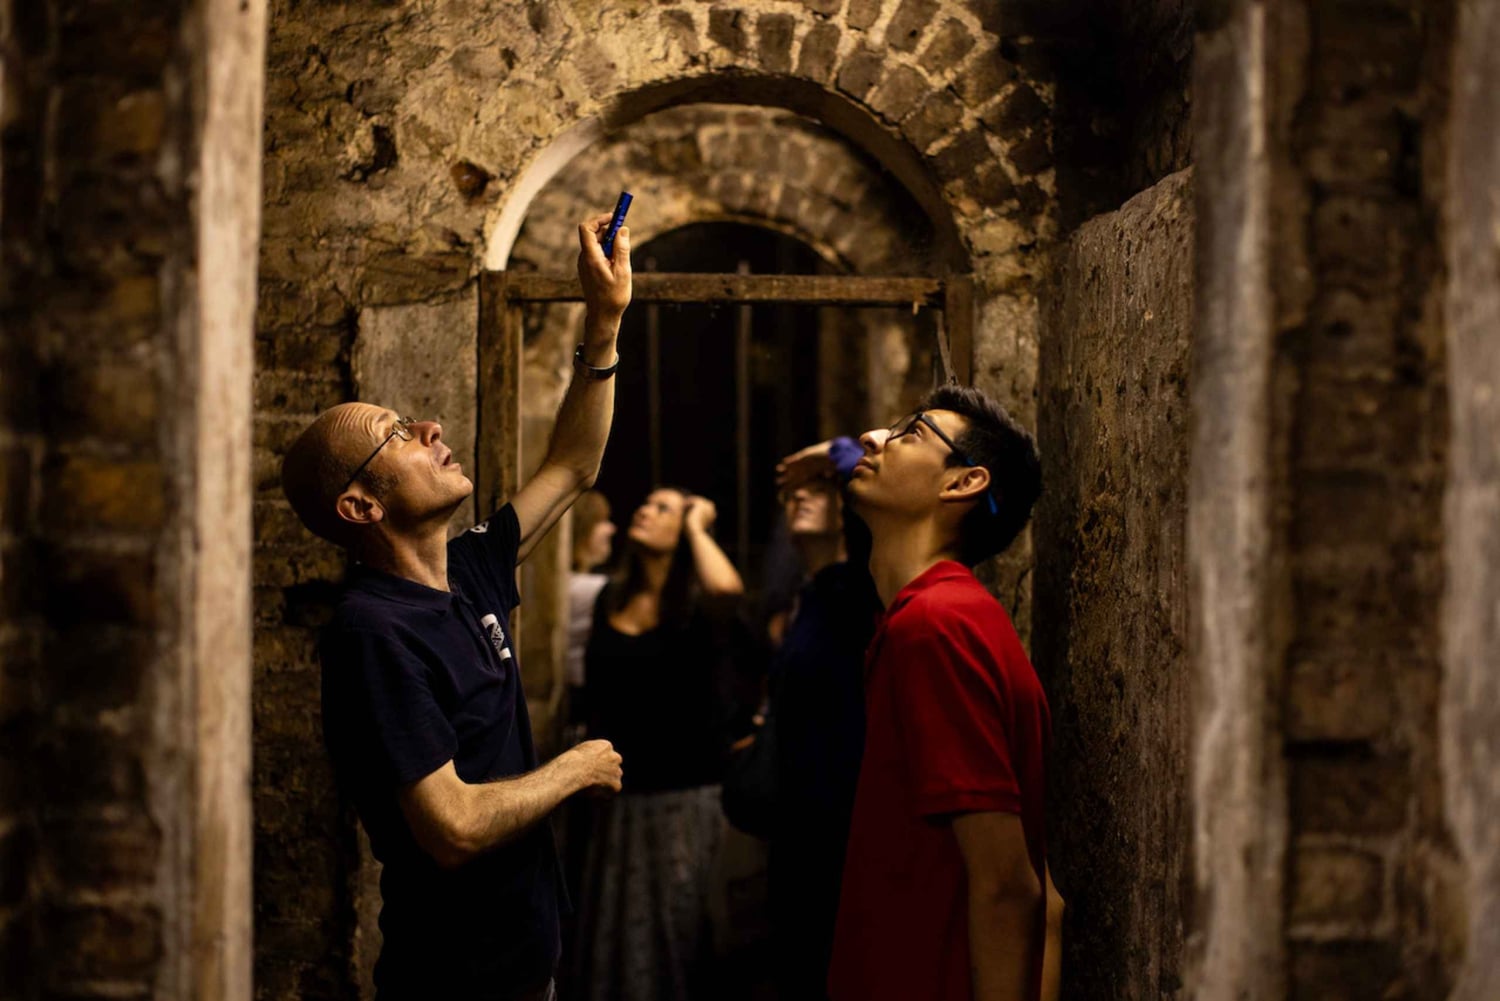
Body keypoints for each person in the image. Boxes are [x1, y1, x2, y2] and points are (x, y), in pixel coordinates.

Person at [279, 214, 632, 1001]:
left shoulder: (469, 567)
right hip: (456, 976)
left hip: (522, 955)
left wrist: (603, 323)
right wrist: (575, 767)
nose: (429, 428)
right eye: (398, 434)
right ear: (363, 507)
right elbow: (453, 826)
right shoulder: (372, 634)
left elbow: (574, 464)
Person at [828, 385, 1058, 1001]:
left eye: (910, 433)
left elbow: (1010, 883)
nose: (873, 438)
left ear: (963, 483)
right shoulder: (931, 615)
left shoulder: (936, 626)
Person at [565, 488, 760, 1001]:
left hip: (684, 799)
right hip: (620, 803)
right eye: (645, 503)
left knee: (679, 939)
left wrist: (698, 526)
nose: (643, 510)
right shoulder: (612, 597)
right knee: (615, 947)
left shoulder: (698, 604)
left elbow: (728, 590)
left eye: (663, 508)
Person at [761, 441, 880, 1001]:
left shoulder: (859, 590)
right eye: (793, 493)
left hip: (844, 825)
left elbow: (882, 481)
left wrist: (834, 453)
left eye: (821, 490)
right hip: (799, 828)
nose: (801, 497)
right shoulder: (805, 599)